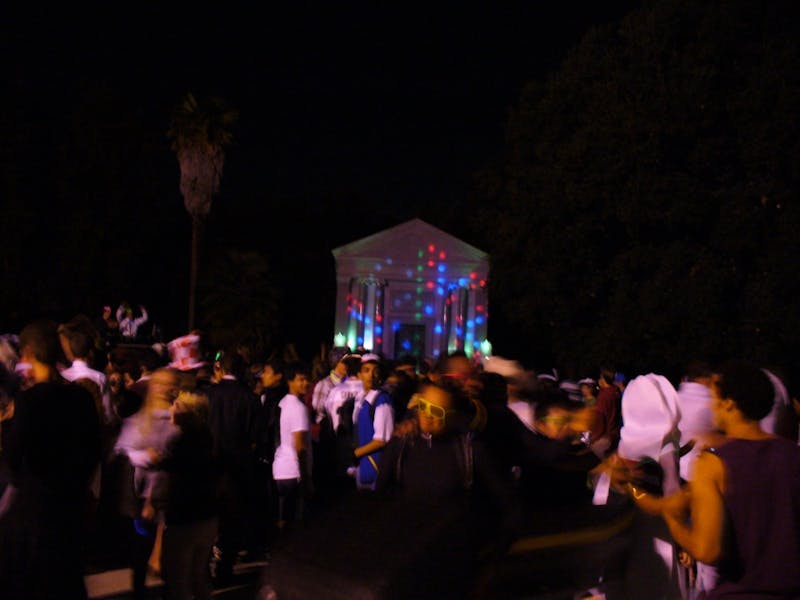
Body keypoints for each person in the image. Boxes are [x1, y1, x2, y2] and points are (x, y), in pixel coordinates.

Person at [630, 361, 800, 599]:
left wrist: (672, 520)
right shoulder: (793, 454)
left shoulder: (713, 464)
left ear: (729, 404)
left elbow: (706, 550)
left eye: (714, 399)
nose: (711, 406)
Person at [0, 320, 102, 600]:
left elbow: (12, 458)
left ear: (29, 353)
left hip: (35, 517)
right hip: (70, 511)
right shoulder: (81, 397)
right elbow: (95, 448)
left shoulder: (29, 402)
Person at [157, 390, 219, 600]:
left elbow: (172, 478)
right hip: (208, 517)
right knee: (199, 578)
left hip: (184, 520)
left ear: (188, 413)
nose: (170, 409)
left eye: (176, 405)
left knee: (179, 582)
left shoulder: (181, 442)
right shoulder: (207, 438)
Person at [272, 361, 312, 529]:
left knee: (282, 522)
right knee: (297, 528)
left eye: (306, 379)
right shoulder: (299, 408)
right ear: (290, 381)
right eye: (300, 379)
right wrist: (306, 478)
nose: (305, 383)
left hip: (279, 469)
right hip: (294, 471)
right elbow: (299, 445)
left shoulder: (281, 403)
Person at [351, 354, 394, 490]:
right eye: (366, 370)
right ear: (359, 374)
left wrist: (355, 454)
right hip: (363, 468)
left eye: (375, 371)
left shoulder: (382, 400)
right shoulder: (362, 400)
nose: (371, 375)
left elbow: (382, 439)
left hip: (375, 468)